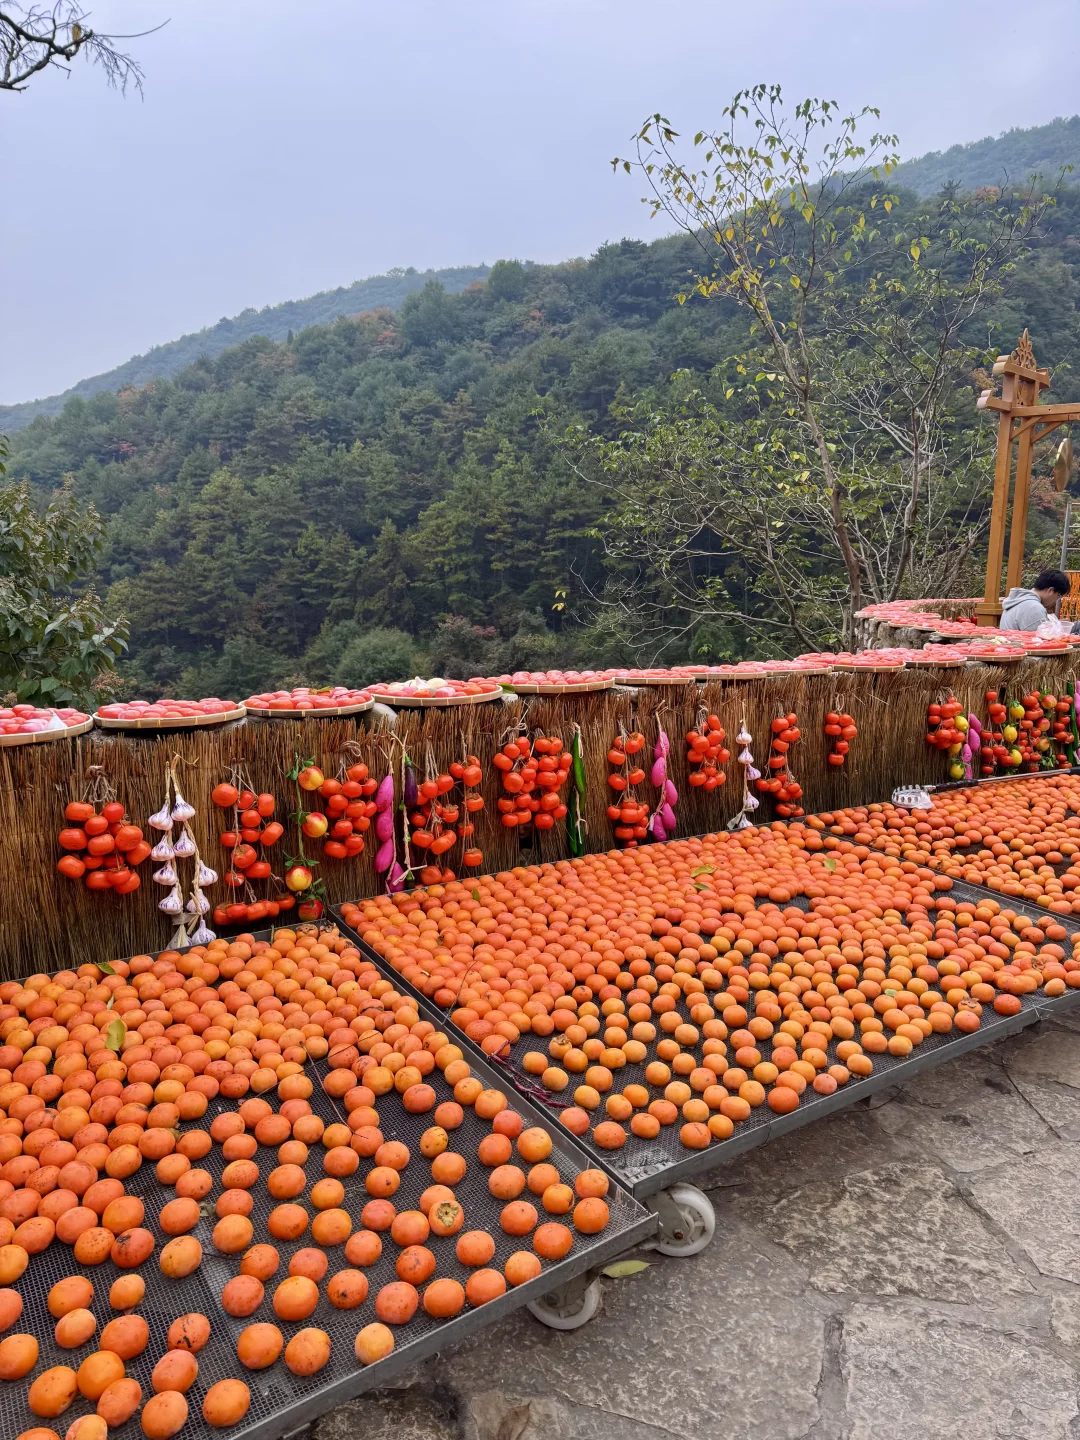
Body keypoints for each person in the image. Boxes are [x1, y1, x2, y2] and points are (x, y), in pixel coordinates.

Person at [999, 569, 1071, 631]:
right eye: (1058, 596)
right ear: (1050, 590)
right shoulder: (1033, 607)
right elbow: (1040, 639)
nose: (1055, 600)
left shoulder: (1018, 600)